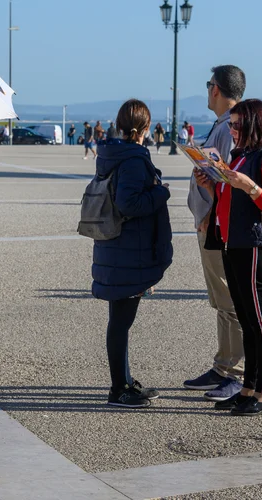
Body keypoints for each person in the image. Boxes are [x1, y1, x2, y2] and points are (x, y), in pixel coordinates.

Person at [194, 99, 262, 416]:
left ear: (253, 125)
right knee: (247, 320)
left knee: (260, 321)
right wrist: (211, 186)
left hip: (257, 244)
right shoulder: (240, 156)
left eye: (236, 124)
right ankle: (249, 387)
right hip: (234, 241)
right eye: (230, 123)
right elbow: (228, 199)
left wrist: (250, 187)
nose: (231, 130)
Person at [91, 99, 173, 408]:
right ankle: (119, 388)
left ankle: (124, 379)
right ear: (145, 129)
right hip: (128, 251)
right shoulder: (134, 160)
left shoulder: (113, 155)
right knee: (121, 322)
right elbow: (129, 204)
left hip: (116, 248)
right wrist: (160, 191)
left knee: (119, 320)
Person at [184, 65, 247, 402]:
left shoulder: (229, 127)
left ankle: (235, 372)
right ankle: (224, 366)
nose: (208, 90)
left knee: (229, 298)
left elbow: (230, 181)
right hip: (212, 221)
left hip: (215, 225)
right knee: (222, 300)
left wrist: (208, 214)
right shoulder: (228, 124)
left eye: (209, 85)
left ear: (216, 90)